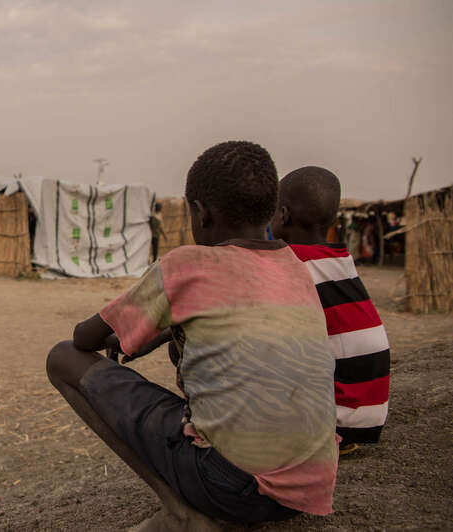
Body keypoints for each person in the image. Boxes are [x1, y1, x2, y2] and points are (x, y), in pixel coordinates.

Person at [46, 141, 338, 530]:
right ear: (271, 210)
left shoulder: (187, 264)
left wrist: (133, 331)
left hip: (230, 487)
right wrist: (165, 330)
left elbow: (85, 338)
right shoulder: (295, 268)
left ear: (201, 212)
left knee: (62, 358)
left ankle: (182, 514)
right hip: (307, 490)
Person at [271, 166, 390, 456]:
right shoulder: (340, 259)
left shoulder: (290, 262)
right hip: (366, 414)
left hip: (333, 419)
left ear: (283, 215)